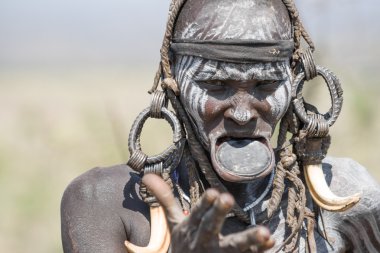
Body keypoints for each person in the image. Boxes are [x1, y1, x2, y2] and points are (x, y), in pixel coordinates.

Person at [61, 0, 380, 252]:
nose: (242, 115)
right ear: (173, 81)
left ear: (294, 79)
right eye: (215, 85)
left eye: (265, 86)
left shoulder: (349, 198)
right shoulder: (106, 203)